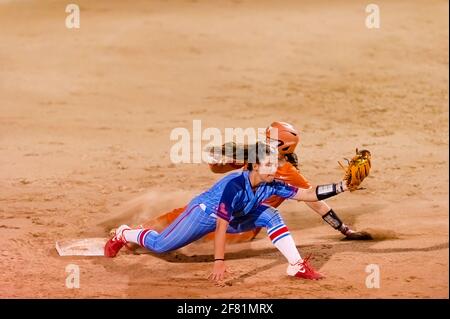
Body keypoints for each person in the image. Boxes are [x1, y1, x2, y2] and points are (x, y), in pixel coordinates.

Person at [105, 142, 365, 281]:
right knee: (162, 245)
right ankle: (126, 234)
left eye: (276, 163)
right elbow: (220, 226)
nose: (275, 169)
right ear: (254, 165)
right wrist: (219, 263)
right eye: (269, 164)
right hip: (204, 213)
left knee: (270, 215)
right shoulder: (234, 187)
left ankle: (296, 266)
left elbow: (308, 194)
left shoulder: (272, 184)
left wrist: (344, 185)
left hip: (237, 218)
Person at [136, 122, 368, 243]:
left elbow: (315, 202)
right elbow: (216, 169)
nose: (264, 142)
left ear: (282, 147)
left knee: (187, 230)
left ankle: (142, 239)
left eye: (270, 140)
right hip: (227, 212)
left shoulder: (287, 172)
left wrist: (345, 229)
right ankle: (139, 231)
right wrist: (222, 159)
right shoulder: (258, 157)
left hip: (241, 226)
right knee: (184, 212)